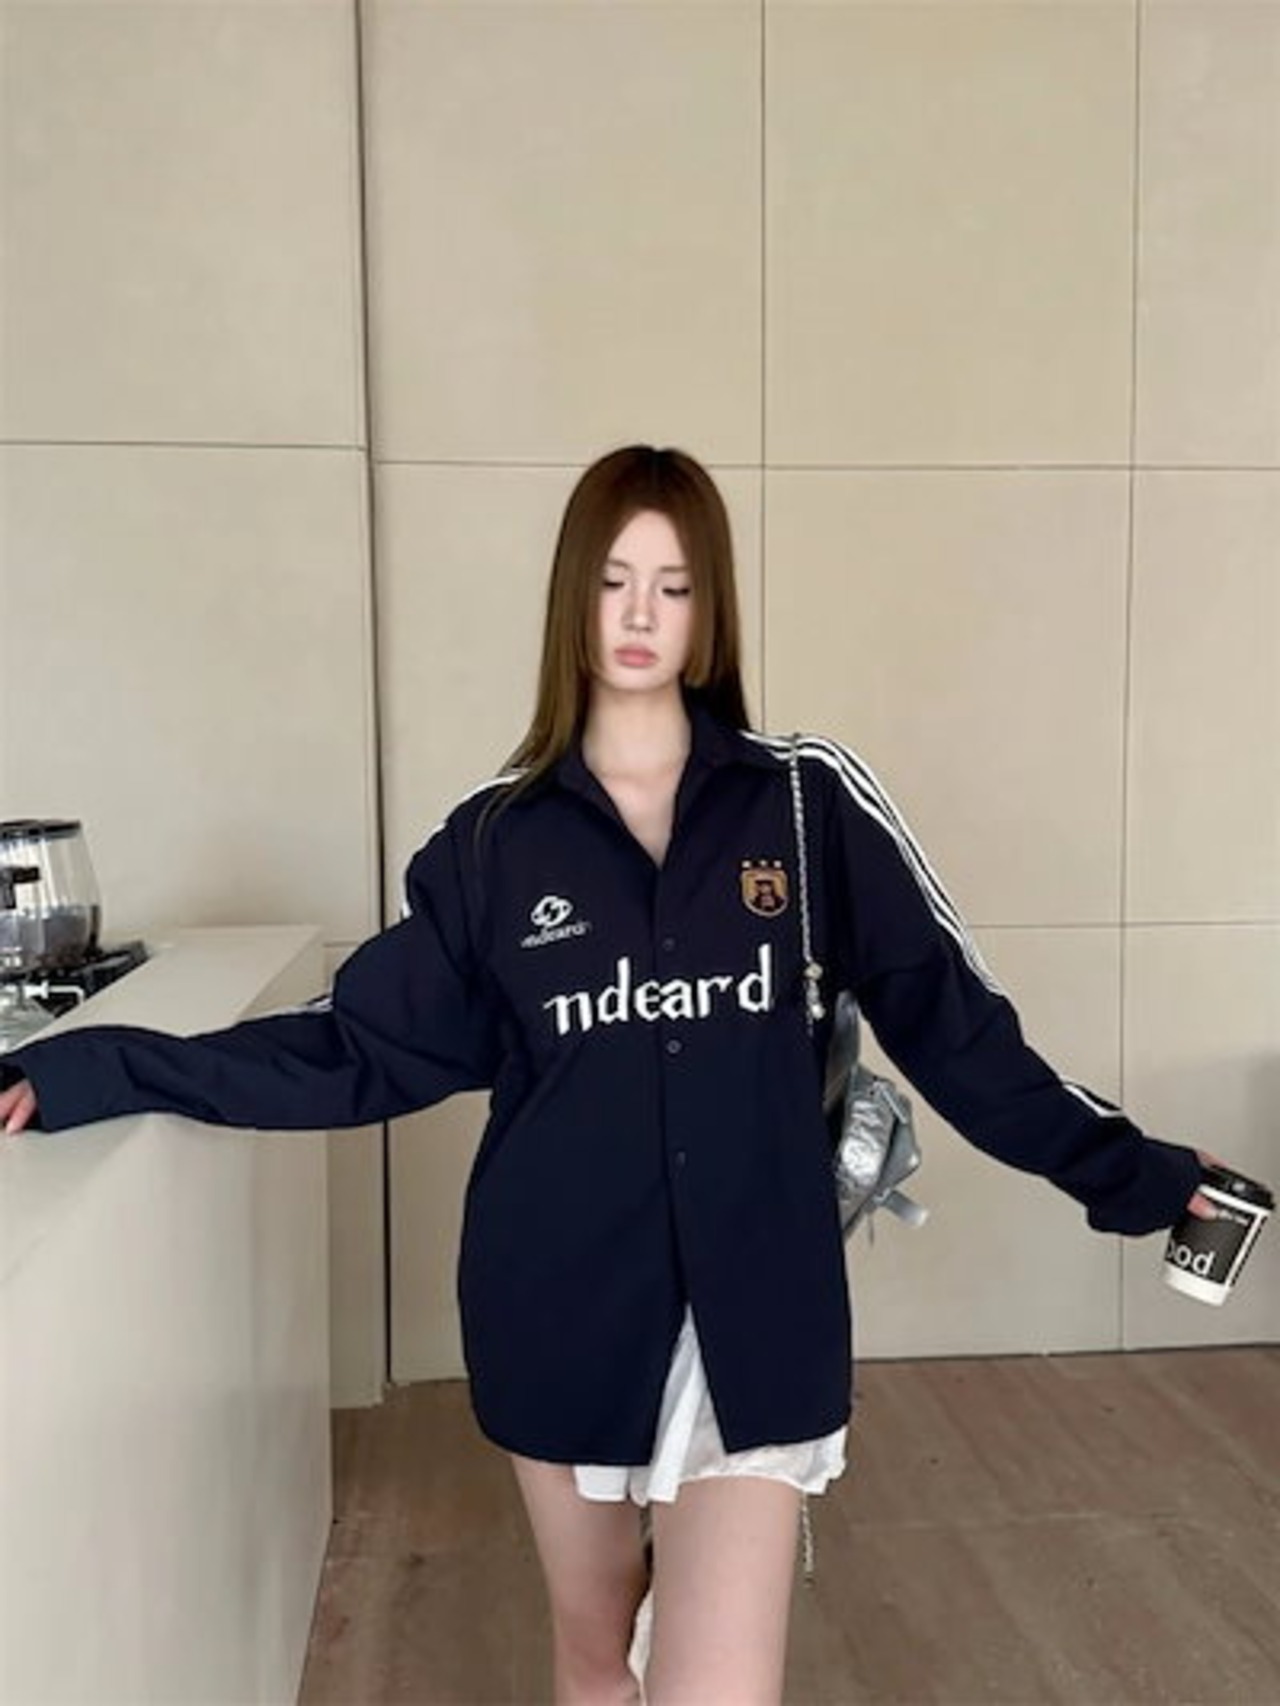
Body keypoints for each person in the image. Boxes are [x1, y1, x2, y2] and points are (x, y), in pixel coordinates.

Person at [0, 444, 1225, 1706]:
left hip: (759, 1307)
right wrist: (97, 1067)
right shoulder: (492, 841)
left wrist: (1132, 1172)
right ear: (571, 596)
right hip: (557, 1306)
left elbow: (956, 1026)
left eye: (675, 585)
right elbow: (353, 1044)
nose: (640, 613)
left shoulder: (803, 805)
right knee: (596, 1666)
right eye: (613, 580)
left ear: (711, 608)